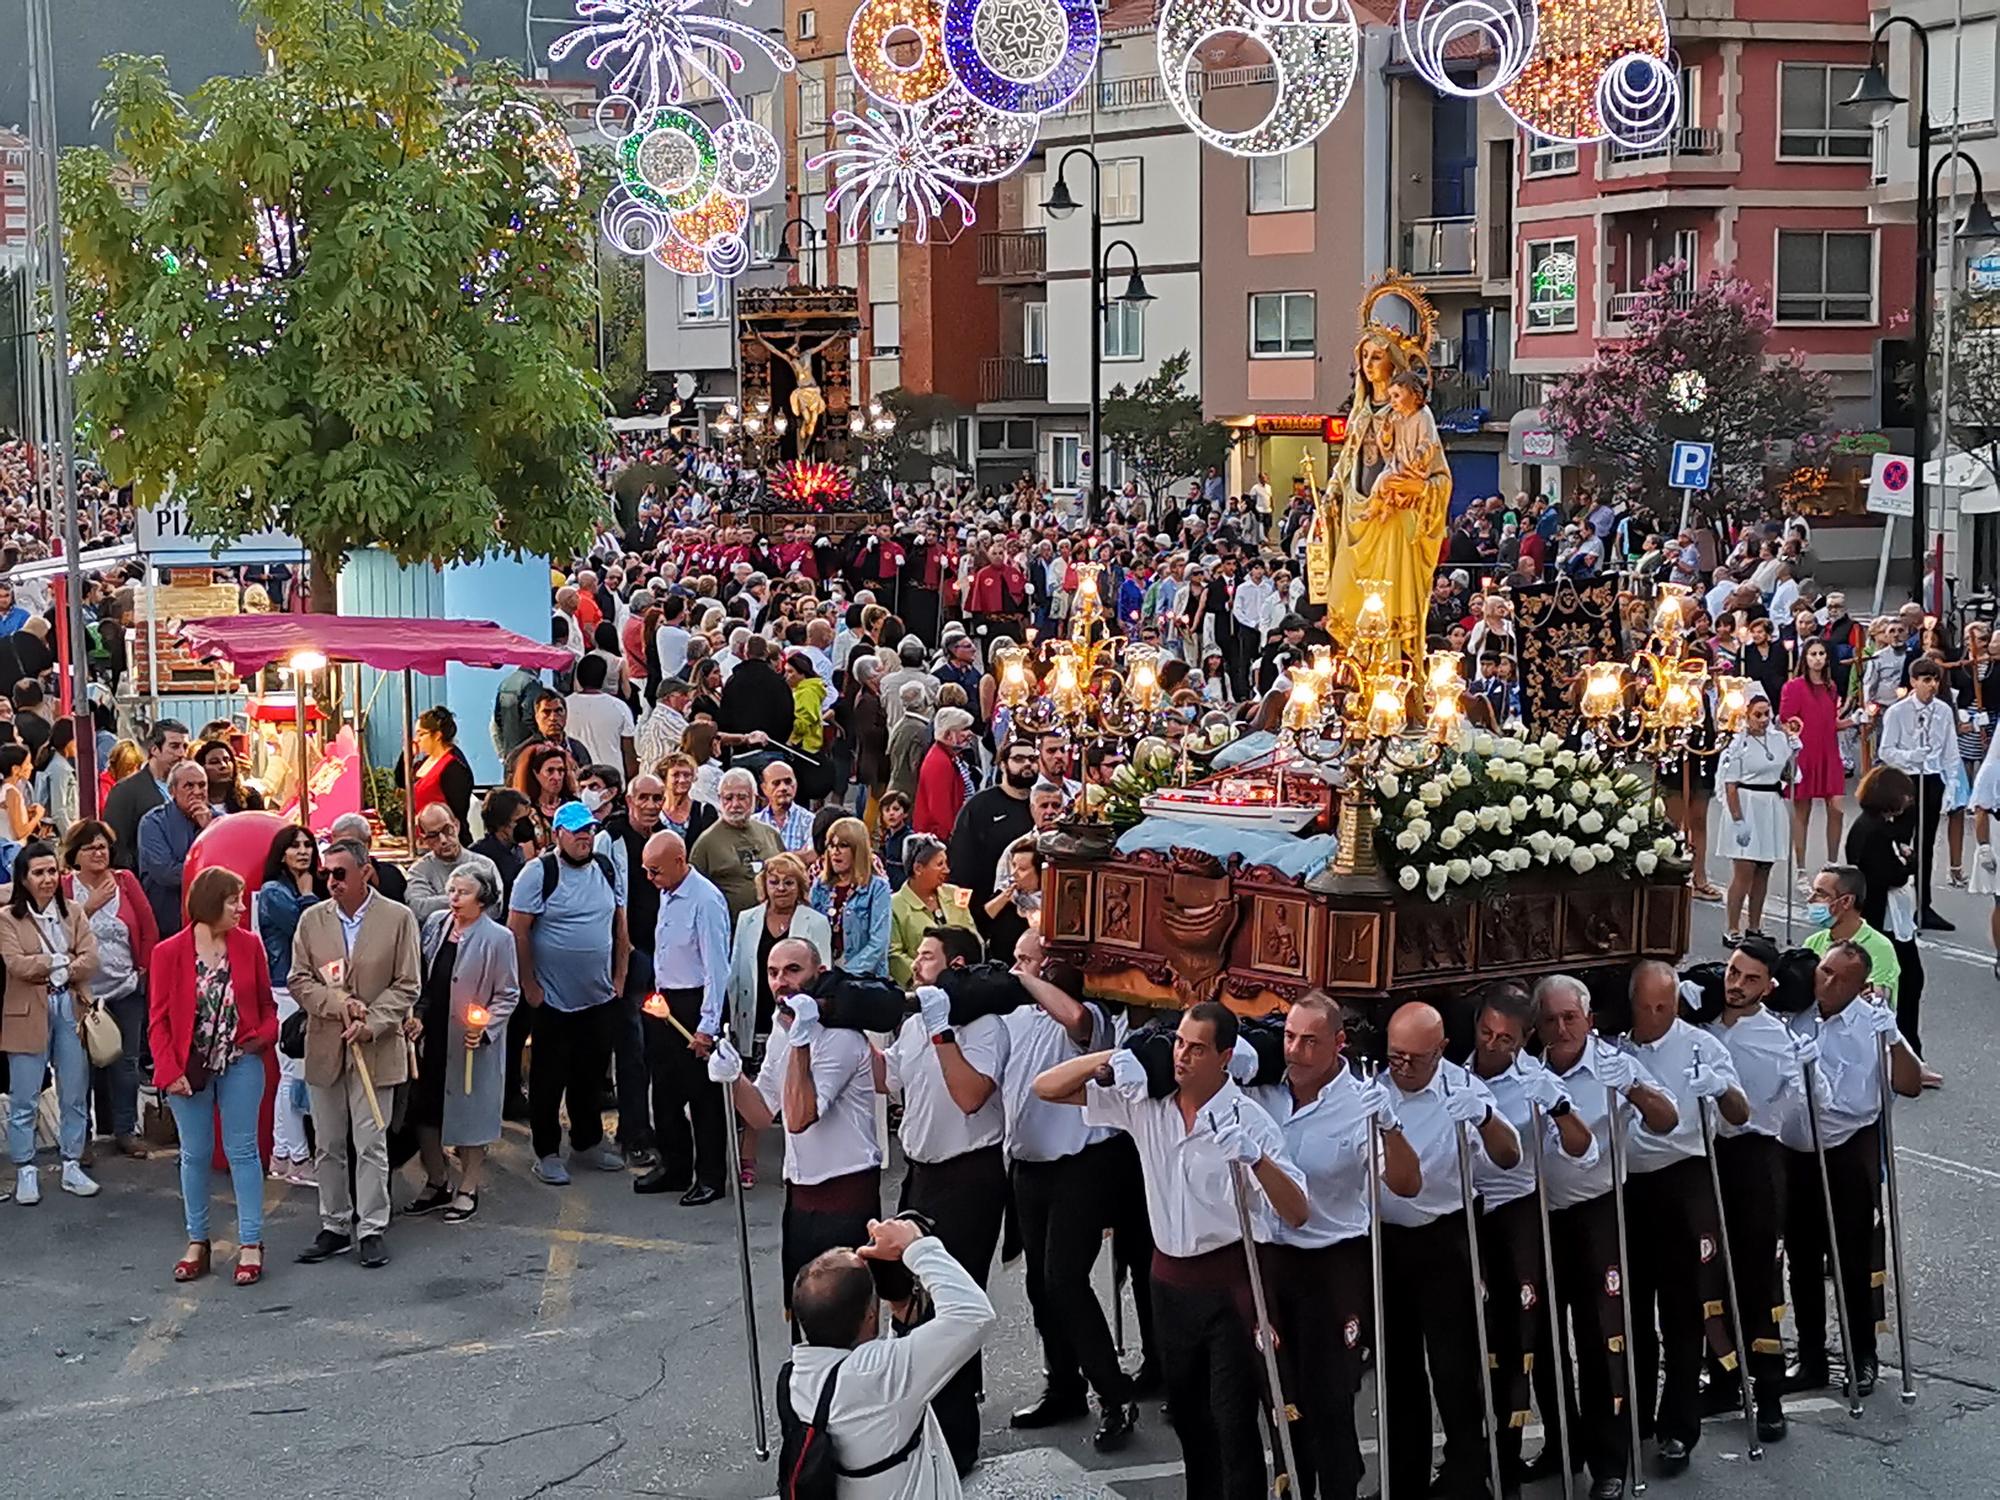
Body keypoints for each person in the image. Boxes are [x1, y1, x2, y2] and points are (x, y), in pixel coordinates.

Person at [1031, 1002, 1309, 1499]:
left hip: (1231, 1285)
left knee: (1231, 1419)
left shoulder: (1250, 1120)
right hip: (1171, 1285)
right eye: (1179, 1043)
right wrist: (1116, 1058)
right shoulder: (1148, 1104)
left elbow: (1297, 1210)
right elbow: (1046, 1088)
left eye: (1197, 1048)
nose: (1182, 1057)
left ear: (1226, 1057)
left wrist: (1257, 1159)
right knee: (1188, 1415)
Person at [1247, 991, 1423, 1500]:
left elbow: (1407, 1183)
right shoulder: (1265, 1089)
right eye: (1289, 1037)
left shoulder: (1359, 1104)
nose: (1296, 1050)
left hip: (1332, 1261)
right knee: (1281, 1394)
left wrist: (1389, 1127)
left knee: (1330, 1396)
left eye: (1310, 1041)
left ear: (1338, 1044)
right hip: (1274, 1257)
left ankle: (1341, 1489)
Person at [1532, 974, 1680, 1500]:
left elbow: (1666, 1119)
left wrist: (1634, 1088)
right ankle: (1561, 1443)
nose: (1561, 1027)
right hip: (1542, 1217)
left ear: (1589, 1019)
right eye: (1550, 1019)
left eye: (1570, 1017)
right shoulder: (1531, 1071)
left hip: (1597, 1212)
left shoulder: (1614, 1064)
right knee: (1545, 1340)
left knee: (1601, 1340)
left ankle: (1609, 1460)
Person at [1374, 1000, 1522, 1500]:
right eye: (1397, 1056)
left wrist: (1483, 1119)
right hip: (1386, 1241)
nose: (1405, 1067)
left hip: (1444, 1236)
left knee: (1455, 1368)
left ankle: (1466, 1475)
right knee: (1398, 1372)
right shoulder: (1372, 1089)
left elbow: (1508, 1156)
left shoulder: (1463, 1089)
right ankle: (1404, 1481)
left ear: (1440, 1049)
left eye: (1416, 1057)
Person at [881, 924, 1010, 1470]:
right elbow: (889, 1083)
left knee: (947, 1303)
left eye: (927, 957)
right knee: (908, 1298)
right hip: (921, 1175)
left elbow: (969, 1096)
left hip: (969, 1177)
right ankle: (920, 1421)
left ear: (955, 967)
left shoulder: (985, 1027)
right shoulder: (916, 1022)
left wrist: (942, 1033)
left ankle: (957, 1441)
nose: (917, 965)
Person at [1620, 960, 1749, 1474]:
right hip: (1630, 1185)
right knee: (1631, 1310)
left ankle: (1679, 1427)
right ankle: (1634, 1414)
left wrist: (1720, 1088)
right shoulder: (1616, 1048)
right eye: (1647, 1006)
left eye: (1665, 1006)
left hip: (1685, 1176)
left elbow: (1740, 1117)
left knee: (1682, 1309)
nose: (1655, 1015)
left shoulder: (1703, 1046)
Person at [1467, 983, 1598, 1488]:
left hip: (1519, 1213)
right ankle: (1486, 1453)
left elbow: (1581, 1148)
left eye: (1505, 1037)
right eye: (1485, 1032)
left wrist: (1561, 1110)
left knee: (1528, 1339)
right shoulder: (1456, 1074)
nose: (1493, 1044)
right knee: (1481, 1340)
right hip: (1470, 1213)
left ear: (1522, 1040)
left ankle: (1536, 1449)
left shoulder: (1536, 1083)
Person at [1778, 941, 1921, 1399]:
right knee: (1801, 1259)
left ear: (1860, 987)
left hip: (1844, 1148)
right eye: (1825, 970)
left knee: (1850, 1260)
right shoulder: (1796, 1010)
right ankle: (1812, 1357)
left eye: (1840, 977)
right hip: (1797, 1150)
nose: (1827, 980)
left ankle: (1862, 1355)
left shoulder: (1870, 1025)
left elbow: (1910, 1084)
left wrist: (1894, 1039)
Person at [718, 937, 885, 1315]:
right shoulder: (784, 1029)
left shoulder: (841, 1038)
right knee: (803, 1318)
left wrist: (802, 1041)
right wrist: (733, 1079)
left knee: (845, 1320)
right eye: (773, 973)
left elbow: (798, 1117)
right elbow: (762, 1113)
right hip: (801, 1196)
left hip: (845, 1192)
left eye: (793, 970)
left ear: (818, 974)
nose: (781, 981)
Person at [779, 1214, 997, 1500]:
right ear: (871, 1315)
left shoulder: (794, 1378)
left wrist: (899, 1305)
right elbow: (974, 1315)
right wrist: (917, 1246)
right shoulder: (882, 1377)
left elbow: (871, 1373)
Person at [290, 837, 422, 1269]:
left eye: (340, 873)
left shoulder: (398, 918)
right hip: (327, 1046)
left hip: (376, 1048)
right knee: (327, 1143)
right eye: (326, 873)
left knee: (370, 1142)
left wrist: (373, 1022)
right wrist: (336, 1005)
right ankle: (334, 1224)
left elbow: (407, 984)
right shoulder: (312, 920)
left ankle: (371, 1227)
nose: (331, 881)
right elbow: (299, 980)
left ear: (366, 872)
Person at [1702, 937, 1812, 1441]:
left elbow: (1780, 1111)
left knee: (1755, 1279)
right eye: (1733, 972)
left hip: (1752, 1158)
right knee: (1707, 1276)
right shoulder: (1699, 1022)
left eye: (1750, 979)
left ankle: (1768, 1391)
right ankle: (1722, 1376)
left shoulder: (1774, 1039)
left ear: (1768, 987)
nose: (1736, 985)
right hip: (1704, 1158)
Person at [148, 866, 277, 1285]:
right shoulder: (168, 953)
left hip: (240, 1061)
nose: (241, 907)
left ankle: (252, 1242)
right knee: (195, 1154)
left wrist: (261, 1038)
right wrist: (169, 1072)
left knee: (242, 1152)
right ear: (209, 904)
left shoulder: (250, 946)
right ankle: (197, 1241)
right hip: (189, 1069)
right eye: (232, 900)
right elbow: (159, 1021)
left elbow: (267, 1005)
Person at [508, 800, 630, 1186]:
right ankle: (546, 1152)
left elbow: (620, 927)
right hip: (552, 1002)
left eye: (589, 830)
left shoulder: (608, 870)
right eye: (576, 830)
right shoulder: (538, 873)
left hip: (599, 997)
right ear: (558, 834)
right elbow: (518, 930)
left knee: (591, 1075)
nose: (584, 837)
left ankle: (588, 1142)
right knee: (548, 1078)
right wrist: (530, 985)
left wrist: (620, 978)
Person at [406, 865, 519, 1225]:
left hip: (471, 1041)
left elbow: (508, 993)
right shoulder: (437, 925)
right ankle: (437, 1181)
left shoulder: (498, 938)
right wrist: (418, 1016)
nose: (454, 898)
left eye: (463, 892)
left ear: (483, 899)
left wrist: (485, 1027)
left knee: (472, 1115)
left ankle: (468, 1187)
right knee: (425, 1113)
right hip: (433, 1034)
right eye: (452, 890)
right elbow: (423, 977)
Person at [1, 840, 103, 1204]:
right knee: (25, 1095)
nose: (47, 879)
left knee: (74, 1091)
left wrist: (63, 966)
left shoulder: (73, 911)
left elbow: (91, 959)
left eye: (51, 871)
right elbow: (17, 964)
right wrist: (59, 961)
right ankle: (26, 1168)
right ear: (24, 879)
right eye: (38, 873)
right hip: (26, 1012)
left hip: (70, 1008)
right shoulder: (7, 918)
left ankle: (71, 1163)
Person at [636, 829, 731, 1205]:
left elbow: (715, 968)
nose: (650, 878)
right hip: (666, 1000)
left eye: (655, 871)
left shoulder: (705, 900)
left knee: (703, 1098)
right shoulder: (668, 891)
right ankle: (675, 1165)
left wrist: (707, 1025)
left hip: (694, 1003)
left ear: (679, 862)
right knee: (665, 1090)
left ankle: (710, 1175)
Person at [61, 819, 156, 1162]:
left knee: (125, 1063)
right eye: (91, 847)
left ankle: (125, 1131)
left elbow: (147, 927)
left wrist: (143, 968)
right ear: (76, 854)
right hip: (81, 993)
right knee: (79, 1067)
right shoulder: (65, 888)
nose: (99, 853)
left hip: (126, 988)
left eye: (103, 846)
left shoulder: (126, 882)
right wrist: (90, 907)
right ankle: (81, 1137)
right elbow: (59, 932)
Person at [1844, 767, 1935, 1076]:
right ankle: (1909, 1054)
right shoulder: (1877, 832)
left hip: (1877, 914)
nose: (1908, 801)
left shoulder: (1865, 826)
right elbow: (1890, 874)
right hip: (1884, 917)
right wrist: (1908, 862)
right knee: (1907, 981)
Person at [258, 822, 324, 1184]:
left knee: (293, 1074)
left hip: (301, 986)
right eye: (295, 845)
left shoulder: (299, 887)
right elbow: (308, 930)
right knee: (292, 1074)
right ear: (281, 854)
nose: (303, 851)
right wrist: (307, 893)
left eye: (308, 845)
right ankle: (297, 1157)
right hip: (285, 987)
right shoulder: (274, 892)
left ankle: (282, 1155)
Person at [1875, 655, 1954, 928]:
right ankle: (1895, 899)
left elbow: (1950, 752)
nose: (1931, 686)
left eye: (1935, 680)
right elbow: (1886, 751)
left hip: (1931, 778)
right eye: (1926, 680)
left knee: (1926, 843)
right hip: (1905, 781)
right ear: (1913, 682)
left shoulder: (1943, 711)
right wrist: (1910, 757)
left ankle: (1924, 905)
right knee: (1901, 841)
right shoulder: (1898, 712)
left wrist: (1952, 785)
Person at [1718, 690, 1797, 942]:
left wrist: (1793, 753)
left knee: (1764, 869)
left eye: (1767, 714)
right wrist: (1738, 820)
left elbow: (1788, 776)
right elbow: (1731, 785)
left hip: (1771, 805)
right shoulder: (1738, 745)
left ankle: (1754, 926)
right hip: (1747, 805)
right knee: (1744, 871)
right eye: (1758, 715)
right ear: (1747, 717)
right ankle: (1731, 928)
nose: (1763, 719)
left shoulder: (1778, 739)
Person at [947, 737, 1036, 956]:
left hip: (1035, 917)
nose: (1027, 764)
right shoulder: (980, 807)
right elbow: (961, 867)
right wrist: (967, 919)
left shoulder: (1041, 806)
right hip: (993, 915)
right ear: (1003, 765)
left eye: (1032, 759)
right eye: (1019, 758)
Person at [1782, 639, 1852, 878]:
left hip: (1829, 753)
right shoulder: (1794, 687)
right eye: (1813, 654)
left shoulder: (1831, 687)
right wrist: (1791, 728)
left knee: (1837, 808)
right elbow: (1786, 720)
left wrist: (1856, 721)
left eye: (1822, 653)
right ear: (1805, 657)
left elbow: (1831, 723)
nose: (1818, 658)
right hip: (1805, 753)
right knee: (1803, 811)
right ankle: (1801, 868)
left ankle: (1832, 864)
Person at [690, 767, 784, 919]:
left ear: (755, 798)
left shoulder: (771, 834)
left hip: (772, 924)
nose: (735, 804)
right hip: (729, 927)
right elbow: (694, 893)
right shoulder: (706, 843)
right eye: (728, 798)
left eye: (742, 797)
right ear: (719, 799)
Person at [136, 760, 212, 939]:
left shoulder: (219, 821)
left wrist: (209, 829)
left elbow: (228, 869)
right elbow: (167, 874)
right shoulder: (153, 823)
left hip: (210, 925)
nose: (197, 792)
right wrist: (208, 874)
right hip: (168, 925)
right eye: (189, 786)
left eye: (202, 785)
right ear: (172, 791)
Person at [810, 816, 893, 979]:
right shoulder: (821, 885)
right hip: (824, 972)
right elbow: (809, 931)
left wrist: (845, 975)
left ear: (858, 849)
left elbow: (879, 942)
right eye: (831, 846)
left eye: (843, 846)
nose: (835, 852)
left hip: (864, 978)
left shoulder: (877, 888)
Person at [889, 834, 976, 988]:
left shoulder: (956, 893)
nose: (947, 870)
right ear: (918, 868)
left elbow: (973, 935)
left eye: (946, 863)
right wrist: (926, 976)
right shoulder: (893, 905)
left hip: (963, 983)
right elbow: (894, 954)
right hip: (920, 989)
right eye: (940, 864)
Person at [103, 717, 188, 869]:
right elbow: (116, 846)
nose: (181, 753)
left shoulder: (190, 786)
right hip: (146, 883)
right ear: (154, 749)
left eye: (184, 747)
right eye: (174, 746)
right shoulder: (126, 791)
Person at [404, 803, 502, 923]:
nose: (443, 840)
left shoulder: (485, 865)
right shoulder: (419, 871)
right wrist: (472, 898)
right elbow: (419, 910)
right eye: (433, 835)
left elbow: (494, 910)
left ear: (457, 826)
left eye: (447, 830)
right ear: (425, 840)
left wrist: (441, 902)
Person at [566, 653, 639, 779]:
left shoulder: (563, 706)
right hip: (612, 779)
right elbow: (629, 752)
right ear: (604, 678)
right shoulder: (619, 706)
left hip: (576, 778)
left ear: (578, 677)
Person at [408, 705, 475, 834]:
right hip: (420, 837)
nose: (416, 740)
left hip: (444, 839)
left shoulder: (454, 767)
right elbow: (402, 781)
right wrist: (407, 755)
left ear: (437, 735)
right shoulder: (424, 762)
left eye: (421, 734)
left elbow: (458, 811)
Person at [914, 707, 977, 838]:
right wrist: (950, 837)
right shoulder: (939, 763)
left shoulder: (949, 756)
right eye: (964, 729)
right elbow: (940, 810)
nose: (970, 733)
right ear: (949, 734)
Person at [502, 689, 591, 780]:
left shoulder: (578, 749)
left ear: (566, 715)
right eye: (546, 712)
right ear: (537, 717)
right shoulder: (520, 755)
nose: (553, 718)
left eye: (558, 711)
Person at [469, 787, 534, 910]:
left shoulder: (518, 850)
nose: (526, 825)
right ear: (502, 823)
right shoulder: (479, 856)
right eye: (520, 820)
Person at [513, 742, 578, 851]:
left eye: (561, 770)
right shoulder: (523, 812)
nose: (557, 777)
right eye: (550, 771)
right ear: (535, 773)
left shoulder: (575, 805)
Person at [32, 718, 78, 837]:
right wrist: (71, 838)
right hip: (58, 833)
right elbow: (59, 810)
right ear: (68, 741)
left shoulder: (55, 763)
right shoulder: (60, 768)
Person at [196, 737, 264, 814]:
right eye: (214, 762)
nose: (223, 765)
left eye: (227, 760)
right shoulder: (194, 804)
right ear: (201, 769)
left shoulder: (250, 798)